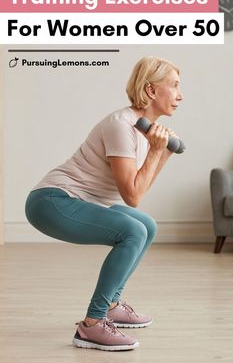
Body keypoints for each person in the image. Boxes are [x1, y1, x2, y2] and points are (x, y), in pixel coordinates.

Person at [25, 56, 183, 352]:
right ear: (151, 90)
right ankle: (92, 324)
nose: (180, 95)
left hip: (82, 201)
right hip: (52, 201)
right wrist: (156, 152)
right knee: (132, 231)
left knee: (146, 225)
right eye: (174, 85)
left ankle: (111, 305)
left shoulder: (144, 130)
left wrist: (162, 153)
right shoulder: (121, 125)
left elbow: (140, 188)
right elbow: (132, 196)